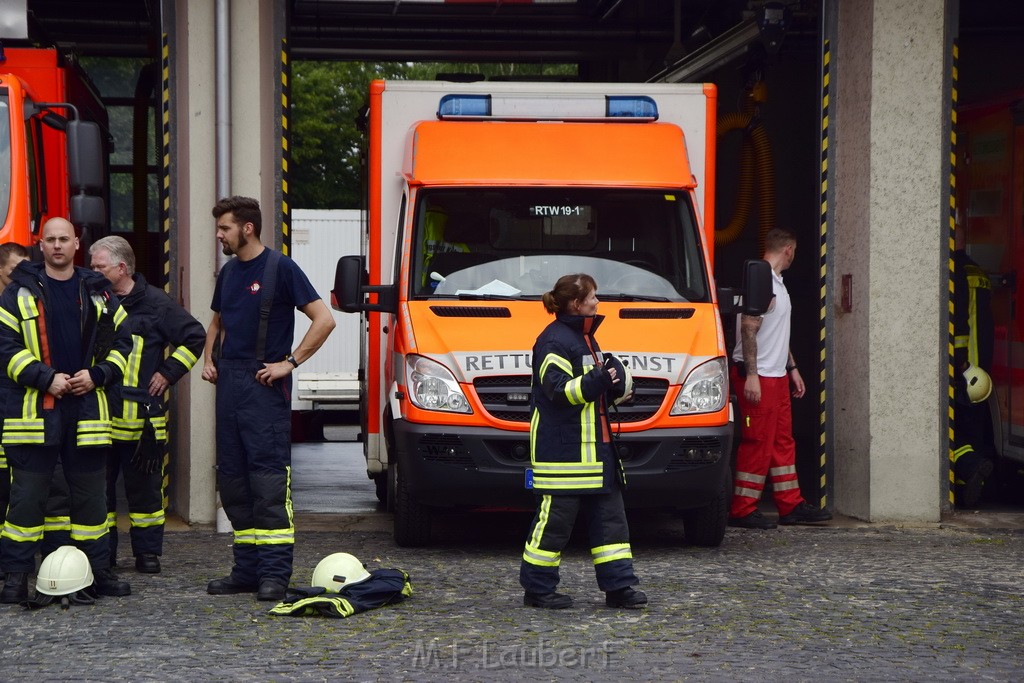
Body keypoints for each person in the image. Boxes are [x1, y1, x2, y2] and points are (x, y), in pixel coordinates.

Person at [201, 196, 335, 602]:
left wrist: (288, 363)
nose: (219, 235)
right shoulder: (228, 273)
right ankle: (246, 571)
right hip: (229, 386)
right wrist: (209, 360)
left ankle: (274, 575)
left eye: (224, 228)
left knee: (268, 482)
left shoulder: (281, 268)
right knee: (235, 482)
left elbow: (324, 319)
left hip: (262, 387)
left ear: (247, 228)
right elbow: (217, 321)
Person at [0, 218, 133, 603]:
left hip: (86, 410)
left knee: (92, 499)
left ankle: (98, 572)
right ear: (40, 245)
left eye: (64, 239)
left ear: (77, 243)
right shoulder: (18, 293)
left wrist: (97, 374)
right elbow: (5, 348)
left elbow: (124, 344)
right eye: (50, 240)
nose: (57, 246)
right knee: (26, 498)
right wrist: (46, 379)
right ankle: (15, 577)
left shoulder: (99, 293)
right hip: (35, 412)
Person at [519, 273, 647, 610]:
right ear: (576, 303)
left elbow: (591, 395)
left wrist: (617, 385)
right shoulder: (554, 341)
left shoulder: (584, 338)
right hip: (563, 455)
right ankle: (538, 590)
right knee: (553, 528)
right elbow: (559, 391)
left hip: (596, 454)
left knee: (612, 528)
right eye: (593, 296)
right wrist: (599, 379)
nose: (597, 302)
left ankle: (619, 588)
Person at [89, 236, 206, 573]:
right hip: (100, 416)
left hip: (143, 419)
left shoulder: (156, 303)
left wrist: (169, 373)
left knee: (146, 493)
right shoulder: (93, 299)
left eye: (99, 267)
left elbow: (194, 336)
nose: (92, 272)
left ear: (121, 268)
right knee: (100, 491)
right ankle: (103, 553)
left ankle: (147, 553)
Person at [728, 228, 832, 530]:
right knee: (757, 442)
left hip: (775, 376)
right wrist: (751, 376)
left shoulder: (775, 283)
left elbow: (775, 334)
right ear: (788, 249)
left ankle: (791, 505)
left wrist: (792, 368)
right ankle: (743, 509)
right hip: (759, 376)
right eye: (794, 252)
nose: (794, 257)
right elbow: (748, 329)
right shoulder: (762, 283)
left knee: (782, 441)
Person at [951, 224, 996, 508]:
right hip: (982, 370)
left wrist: (960, 362)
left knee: (957, 430)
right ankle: (974, 482)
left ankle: (970, 468)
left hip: (964, 367)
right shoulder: (978, 271)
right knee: (975, 428)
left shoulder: (955, 274)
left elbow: (958, 324)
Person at [0, 242, 28, 530]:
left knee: (19, 479)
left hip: (16, 402)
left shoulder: (27, 302)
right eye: (13, 270)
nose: (20, 275)